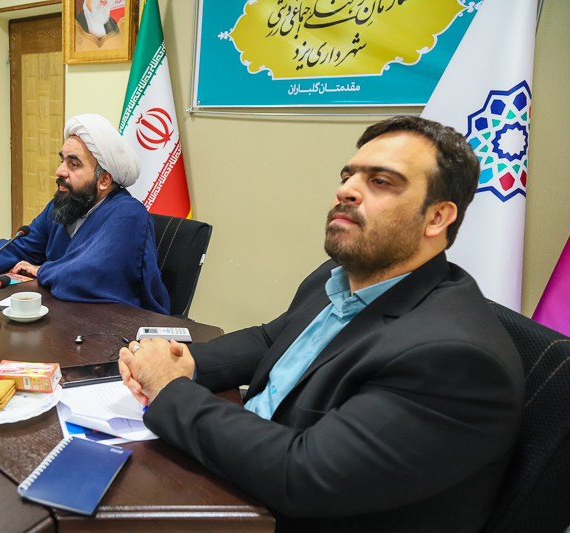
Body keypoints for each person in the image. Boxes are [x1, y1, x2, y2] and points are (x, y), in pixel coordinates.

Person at [118, 116, 524, 532]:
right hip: (237, 475)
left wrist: (170, 388)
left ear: (437, 217)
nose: (346, 190)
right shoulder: (340, 274)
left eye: (381, 181)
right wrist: (186, 362)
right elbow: (271, 340)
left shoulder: (455, 359)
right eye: (349, 176)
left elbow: (301, 474)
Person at [0, 113, 170, 315]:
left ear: (104, 180)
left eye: (74, 164)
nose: (60, 171)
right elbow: (19, 247)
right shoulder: (64, 205)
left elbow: (90, 275)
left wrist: (41, 270)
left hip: (122, 327)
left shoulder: (128, 214)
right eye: (63, 161)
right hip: (67, 316)